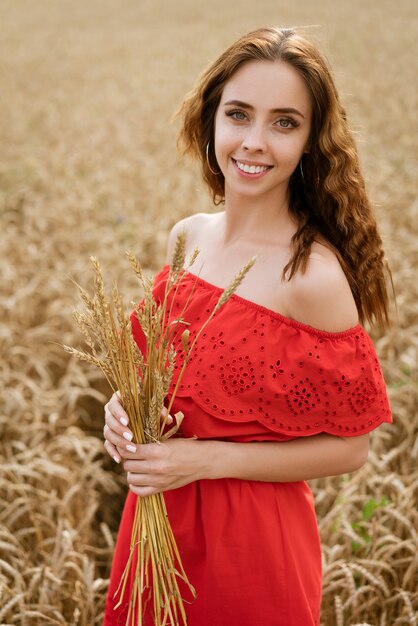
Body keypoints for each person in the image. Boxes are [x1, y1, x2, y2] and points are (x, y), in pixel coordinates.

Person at [102, 26, 392, 626]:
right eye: (239, 114)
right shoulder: (187, 237)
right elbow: (159, 376)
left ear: (312, 141)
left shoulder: (311, 275)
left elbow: (352, 447)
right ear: (211, 120)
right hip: (154, 524)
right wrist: (122, 411)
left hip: (254, 547)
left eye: (285, 122)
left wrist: (205, 461)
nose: (254, 142)